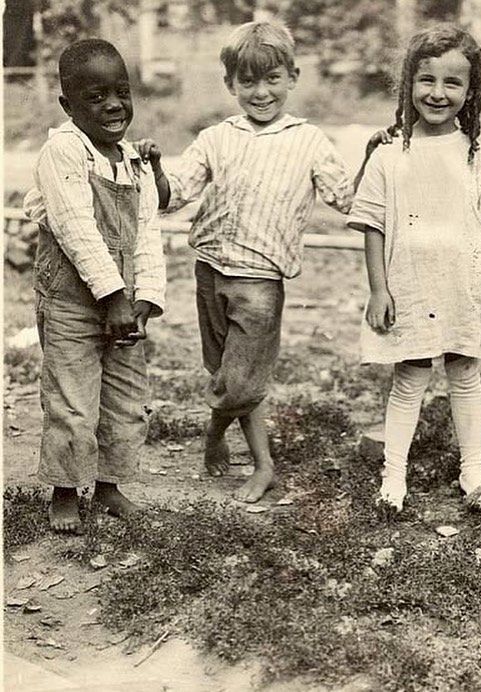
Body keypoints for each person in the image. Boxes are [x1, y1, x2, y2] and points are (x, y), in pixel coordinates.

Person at [137, 21, 378, 503]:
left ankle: (248, 456)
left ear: (292, 77)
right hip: (209, 268)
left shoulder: (308, 140)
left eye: (272, 79)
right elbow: (173, 196)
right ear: (231, 84)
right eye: (248, 81)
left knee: (242, 380)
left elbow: (348, 199)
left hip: (261, 281)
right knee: (222, 370)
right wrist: (156, 166)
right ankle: (231, 436)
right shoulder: (215, 138)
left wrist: (371, 156)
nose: (260, 92)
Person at [347, 25, 481, 511]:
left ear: (470, 91)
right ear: (408, 84)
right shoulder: (389, 155)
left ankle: (473, 474)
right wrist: (380, 291)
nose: (438, 93)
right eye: (427, 80)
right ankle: (393, 478)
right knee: (410, 376)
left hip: (463, 285)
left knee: (465, 374)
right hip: (410, 285)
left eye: (452, 83)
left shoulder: (477, 154)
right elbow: (372, 226)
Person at [23, 39, 166, 532]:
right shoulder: (62, 151)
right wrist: (112, 297)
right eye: (96, 96)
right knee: (72, 400)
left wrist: (145, 297)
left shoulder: (132, 160)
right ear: (67, 105)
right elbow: (75, 229)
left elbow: (147, 230)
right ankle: (65, 489)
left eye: (121, 92)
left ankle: (108, 485)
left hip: (123, 304)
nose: (113, 105)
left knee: (125, 398)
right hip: (73, 302)